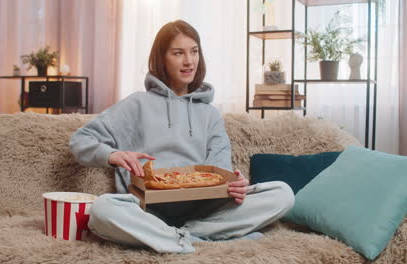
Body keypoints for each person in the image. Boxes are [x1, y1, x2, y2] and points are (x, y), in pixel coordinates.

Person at [69, 20, 294, 253]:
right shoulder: (136, 104)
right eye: (178, 53)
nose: (189, 61)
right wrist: (113, 155)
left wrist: (232, 186)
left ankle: (177, 238)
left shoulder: (210, 114)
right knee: (102, 209)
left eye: (194, 52)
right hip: (146, 211)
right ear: (162, 59)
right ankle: (199, 238)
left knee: (282, 194)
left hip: (204, 211)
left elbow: (218, 170)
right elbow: (80, 140)